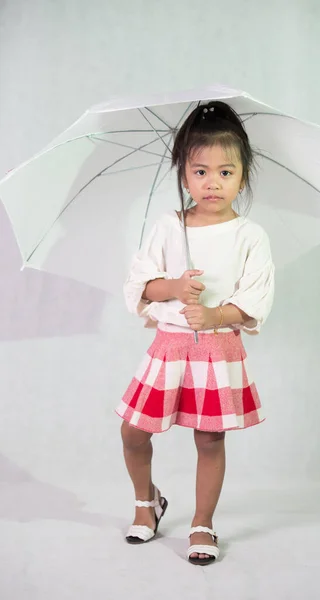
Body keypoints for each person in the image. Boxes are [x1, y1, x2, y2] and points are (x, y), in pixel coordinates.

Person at [115, 100, 275, 566]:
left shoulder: (250, 235)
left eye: (226, 172)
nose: (212, 182)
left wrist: (216, 314)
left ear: (243, 176)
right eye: (200, 171)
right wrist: (175, 286)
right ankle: (147, 501)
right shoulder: (169, 226)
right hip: (169, 346)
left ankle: (202, 521)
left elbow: (256, 297)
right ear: (183, 174)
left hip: (217, 349)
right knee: (133, 430)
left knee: (209, 438)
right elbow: (138, 282)